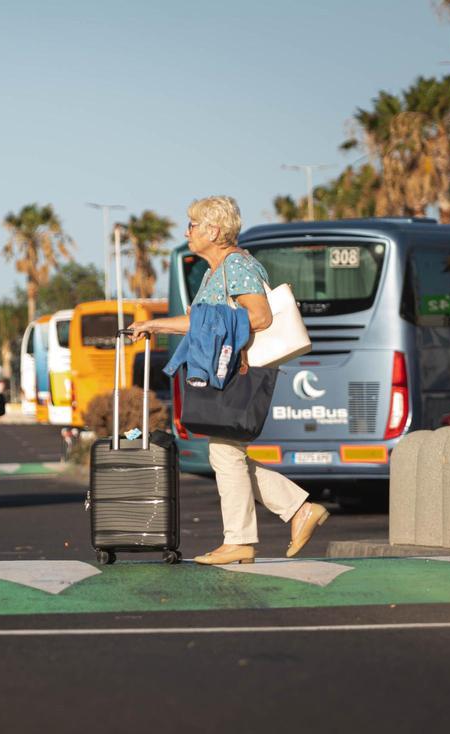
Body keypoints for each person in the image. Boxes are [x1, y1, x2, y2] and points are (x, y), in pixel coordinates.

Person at [127, 195, 329, 565]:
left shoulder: (237, 266)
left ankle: (246, 537)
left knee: (225, 453)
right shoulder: (215, 272)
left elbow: (261, 316)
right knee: (226, 454)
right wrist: (153, 325)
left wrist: (212, 324)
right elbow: (201, 323)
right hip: (228, 372)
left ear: (214, 230)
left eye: (192, 225)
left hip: (238, 372)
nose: (186, 231)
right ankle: (296, 511)